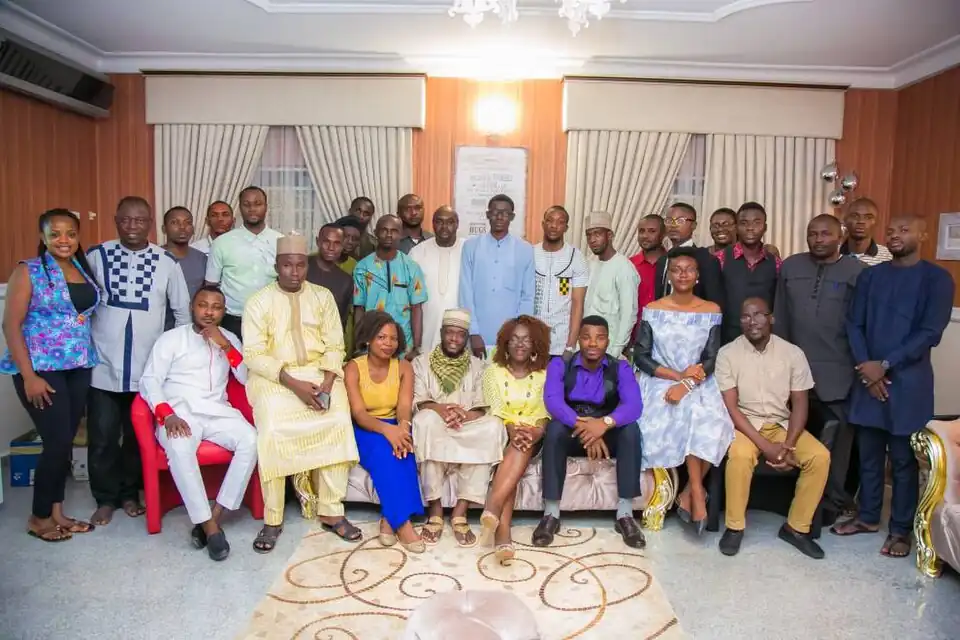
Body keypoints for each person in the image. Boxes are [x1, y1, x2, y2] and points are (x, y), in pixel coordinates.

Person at [832, 215, 954, 558]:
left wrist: (884, 365)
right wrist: (867, 368)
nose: (895, 235)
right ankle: (868, 517)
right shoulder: (870, 276)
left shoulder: (937, 279)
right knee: (869, 455)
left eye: (904, 230)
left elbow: (930, 332)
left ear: (923, 235)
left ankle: (901, 529)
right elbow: (854, 324)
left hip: (908, 382)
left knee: (903, 460)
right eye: (891, 231)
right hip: (867, 379)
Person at [243, 233, 361, 553]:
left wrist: (327, 384)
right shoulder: (259, 302)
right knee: (272, 429)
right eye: (287, 266)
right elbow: (253, 355)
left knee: (338, 419)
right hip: (275, 378)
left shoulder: (322, 297)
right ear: (276, 266)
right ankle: (273, 518)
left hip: (320, 374)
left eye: (300, 265)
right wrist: (293, 384)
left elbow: (336, 345)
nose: (294, 272)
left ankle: (331, 510)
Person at [86, 196, 191, 526]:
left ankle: (130, 494)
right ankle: (105, 499)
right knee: (102, 437)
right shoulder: (96, 256)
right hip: (102, 366)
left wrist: (174, 358)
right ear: (116, 221)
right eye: (126, 220)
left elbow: (182, 313)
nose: (132, 226)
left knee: (136, 437)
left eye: (140, 220)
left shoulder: (166, 262)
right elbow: (80, 305)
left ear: (150, 224)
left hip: (147, 369)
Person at [0, 209, 100, 541]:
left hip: (78, 367)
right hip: (41, 370)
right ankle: (39, 517)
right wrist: (29, 376)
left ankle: (57, 513)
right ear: (43, 237)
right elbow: (11, 325)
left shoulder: (81, 269)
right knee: (56, 443)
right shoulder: (28, 271)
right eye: (55, 234)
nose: (63, 240)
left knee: (64, 442)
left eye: (70, 233)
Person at [139, 285, 256, 561]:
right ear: (193, 306)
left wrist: (224, 345)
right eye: (203, 305)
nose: (209, 312)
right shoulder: (171, 339)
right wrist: (167, 414)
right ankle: (211, 529)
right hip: (180, 413)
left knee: (251, 440)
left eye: (216, 307)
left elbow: (245, 377)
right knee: (180, 448)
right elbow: (150, 380)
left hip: (218, 411)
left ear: (223, 312)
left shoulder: (229, 338)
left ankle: (214, 516)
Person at [715, 298, 830, 559]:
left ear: (771, 318)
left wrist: (788, 445)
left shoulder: (792, 353)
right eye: (745, 316)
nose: (752, 321)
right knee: (740, 456)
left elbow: (800, 403)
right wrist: (766, 447)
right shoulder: (728, 354)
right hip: (745, 426)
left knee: (819, 456)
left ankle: (796, 528)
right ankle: (735, 527)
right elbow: (731, 408)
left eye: (758, 315)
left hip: (782, 425)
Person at [634, 247, 731, 533]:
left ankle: (691, 491)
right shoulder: (654, 309)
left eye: (689, 269)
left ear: (698, 275)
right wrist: (677, 377)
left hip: (699, 380)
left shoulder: (711, 311)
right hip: (659, 380)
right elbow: (641, 356)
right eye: (676, 270)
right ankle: (697, 494)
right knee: (681, 412)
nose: (683, 274)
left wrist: (688, 383)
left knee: (713, 420)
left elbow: (712, 357)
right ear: (669, 276)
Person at [774, 214, 864, 517]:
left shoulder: (857, 272)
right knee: (793, 435)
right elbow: (780, 317)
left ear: (840, 236)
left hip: (838, 371)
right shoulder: (791, 266)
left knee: (838, 443)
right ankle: (795, 498)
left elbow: (861, 324)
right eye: (812, 233)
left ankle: (832, 502)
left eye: (826, 234)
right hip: (794, 369)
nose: (818, 239)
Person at [539, 316, 646, 548]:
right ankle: (551, 515)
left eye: (600, 338)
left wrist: (603, 424)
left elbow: (634, 405)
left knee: (630, 430)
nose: (593, 343)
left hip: (607, 431)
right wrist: (586, 427)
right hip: (572, 431)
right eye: (587, 337)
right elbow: (553, 401)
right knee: (555, 429)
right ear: (579, 339)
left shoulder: (621, 367)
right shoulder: (560, 364)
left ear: (608, 341)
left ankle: (625, 515)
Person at [412, 309, 504, 547]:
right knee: (423, 422)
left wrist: (463, 416)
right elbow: (420, 400)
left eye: (460, 334)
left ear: (466, 337)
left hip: (467, 424)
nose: (454, 339)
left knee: (494, 427)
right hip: (436, 421)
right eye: (450, 333)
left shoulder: (479, 366)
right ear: (441, 333)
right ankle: (435, 510)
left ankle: (460, 512)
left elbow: (482, 405)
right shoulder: (421, 362)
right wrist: (442, 410)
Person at [345, 311, 425, 553]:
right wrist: (388, 431)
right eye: (381, 337)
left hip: (395, 423)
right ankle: (403, 524)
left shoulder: (404, 367)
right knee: (384, 453)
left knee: (404, 451)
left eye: (393, 338)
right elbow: (359, 413)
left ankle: (388, 520)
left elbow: (404, 407)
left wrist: (402, 429)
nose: (388, 343)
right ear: (368, 339)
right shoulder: (353, 368)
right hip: (364, 428)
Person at [477, 316, 551, 563]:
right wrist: (511, 429)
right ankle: (502, 534)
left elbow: (545, 410)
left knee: (521, 446)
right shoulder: (493, 372)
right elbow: (495, 407)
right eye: (515, 339)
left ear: (535, 344)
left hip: (532, 435)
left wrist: (537, 431)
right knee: (515, 449)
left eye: (526, 339)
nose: (520, 344)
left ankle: (493, 509)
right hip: (502, 433)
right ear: (506, 343)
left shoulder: (544, 375)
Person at [458, 194, 535, 359]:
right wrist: (473, 332)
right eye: (495, 212)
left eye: (505, 213)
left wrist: (518, 335)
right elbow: (466, 292)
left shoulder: (525, 249)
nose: (499, 216)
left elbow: (528, 296)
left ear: (512, 217)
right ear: (487, 215)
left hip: (511, 338)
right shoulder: (471, 247)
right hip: (477, 336)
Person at [204, 186, 284, 339]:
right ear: (240, 208)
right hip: (232, 321)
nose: (252, 209)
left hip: (271, 320)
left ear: (266, 207)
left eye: (257, 204)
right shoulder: (222, 243)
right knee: (231, 355)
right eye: (246, 204)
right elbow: (210, 287)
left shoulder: (280, 241)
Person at [353, 215, 428, 360]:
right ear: (375, 233)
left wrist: (416, 347)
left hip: (403, 347)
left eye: (394, 231)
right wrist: (359, 344)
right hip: (372, 344)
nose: (389, 235)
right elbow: (359, 308)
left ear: (401, 234)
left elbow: (416, 308)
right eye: (384, 230)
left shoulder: (411, 267)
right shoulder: (362, 267)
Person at [716, 202, 782, 344]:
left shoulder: (776, 263)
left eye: (756, 223)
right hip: (726, 339)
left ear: (765, 227)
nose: (750, 228)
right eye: (744, 223)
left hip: (764, 340)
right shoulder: (720, 259)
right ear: (736, 228)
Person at [533, 206, 589, 361]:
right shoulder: (530, 253)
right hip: (533, 340)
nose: (554, 226)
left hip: (561, 342)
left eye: (560, 222)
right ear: (543, 224)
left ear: (566, 228)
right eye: (549, 221)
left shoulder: (576, 258)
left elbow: (578, 304)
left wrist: (570, 346)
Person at [582, 212, 639, 358]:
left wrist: (616, 350)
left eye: (597, 234)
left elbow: (629, 314)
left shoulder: (624, 268)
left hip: (610, 348)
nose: (592, 240)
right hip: (585, 346)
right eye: (589, 235)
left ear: (609, 235)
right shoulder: (589, 263)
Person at [409, 205, 464, 352]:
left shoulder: (468, 249)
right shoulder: (417, 253)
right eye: (439, 222)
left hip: (460, 329)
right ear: (433, 224)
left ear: (457, 224)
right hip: (427, 326)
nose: (444, 227)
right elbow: (410, 298)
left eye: (450, 222)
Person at [653, 203, 724, 308]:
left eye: (680, 221)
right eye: (669, 221)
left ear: (693, 225)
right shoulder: (662, 260)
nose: (673, 225)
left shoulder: (707, 260)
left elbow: (714, 304)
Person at [307, 223, 355, 358]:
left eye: (337, 243)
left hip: (327, 349)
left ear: (343, 245)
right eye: (326, 242)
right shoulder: (301, 268)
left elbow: (341, 321)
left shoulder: (346, 280)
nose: (331, 248)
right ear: (318, 241)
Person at [161, 206, 207, 329]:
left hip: (194, 328)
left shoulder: (202, 258)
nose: (182, 227)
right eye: (175, 222)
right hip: (160, 328)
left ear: (193, 229)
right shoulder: (155, 258)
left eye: (187, 223)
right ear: (164, 229)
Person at [629, 213, 667, 319]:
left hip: (664, 326)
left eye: (652, 231)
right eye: (641, 231)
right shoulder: (629, 265)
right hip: (635, 327)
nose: (645, 236)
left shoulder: (672, 263)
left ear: (663, 234)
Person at [841, 197, 893, 266]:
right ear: (845, 220)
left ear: (877, 222)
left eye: (868, 217)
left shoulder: (888, 257)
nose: (861, 221)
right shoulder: (832, 253)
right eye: (855, 216)